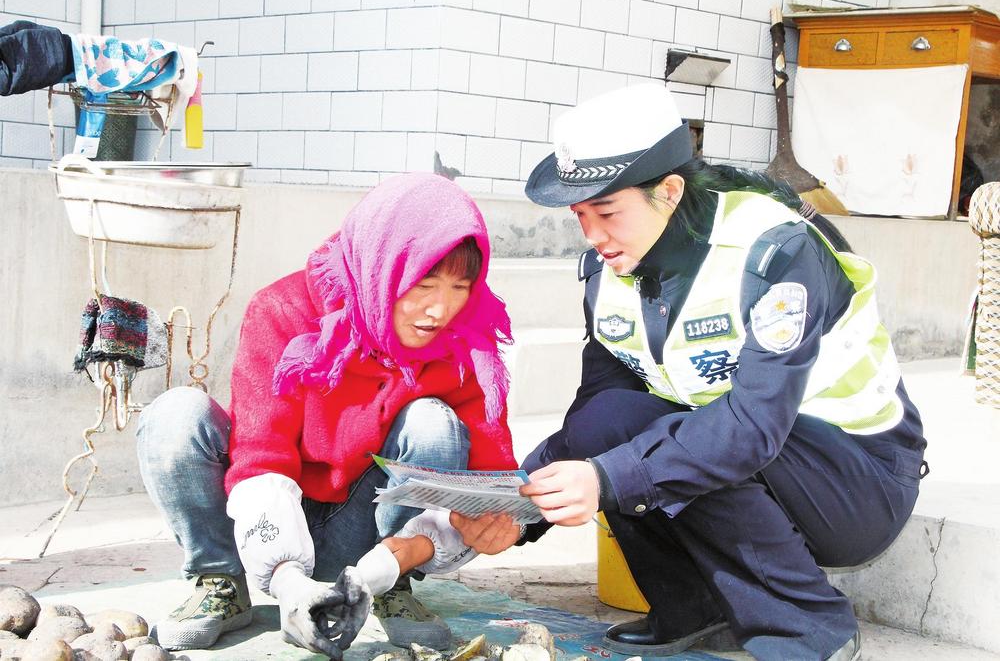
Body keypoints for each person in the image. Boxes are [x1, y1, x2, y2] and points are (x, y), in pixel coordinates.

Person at [506, 83, 927, 660]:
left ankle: (809, 630)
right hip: (763, 453)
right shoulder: (609, 271)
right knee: (613, 420)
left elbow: (752, 428)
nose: (593, 236)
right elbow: (597, 419)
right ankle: (693, 609)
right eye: (580, 215)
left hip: (855, 480)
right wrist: (517, 508)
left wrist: (605, 479)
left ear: (669, 191)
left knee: (691, 443)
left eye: (607, 212)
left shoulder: (772, 253)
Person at [135, 173, 520, 657]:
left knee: (433, 421)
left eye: (460, 286)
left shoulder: (465, 342)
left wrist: (497, 520)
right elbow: (260, 455)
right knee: (175, 415)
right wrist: (288, 582)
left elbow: (489, 481)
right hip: (262, 525)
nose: (440, 310)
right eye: (423, 284)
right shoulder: (284, 310)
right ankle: (221, 582)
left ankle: (391, 587)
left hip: (366, 537)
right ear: (379, 267)